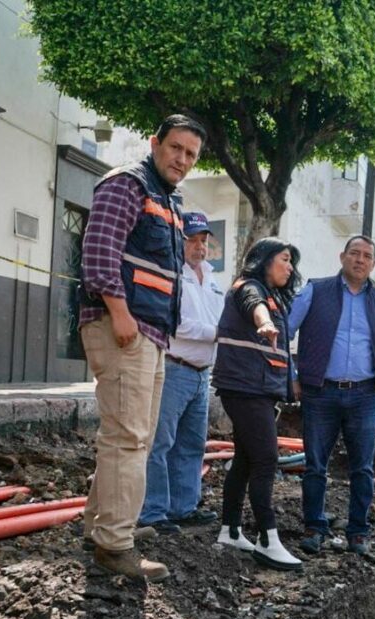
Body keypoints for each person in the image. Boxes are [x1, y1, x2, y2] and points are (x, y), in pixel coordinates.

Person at [78, 114, 204, 582]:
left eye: (191, 154)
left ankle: (106, 526)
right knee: (127, 438)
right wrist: (119, 311)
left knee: (134, 438)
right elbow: (98, 252)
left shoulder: (166, 200)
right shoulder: (127, 184)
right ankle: (114, 544)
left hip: (149, 334)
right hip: (124, 328)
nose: (183, 160)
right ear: (154, 143)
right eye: (176, 148)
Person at [289, 235, 375, 556]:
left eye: (367, 256)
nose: (360, 259)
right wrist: (292, 376)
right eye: (354, 253)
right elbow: (283, 333)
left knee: (363, 469)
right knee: (315, 466)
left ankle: (358, 532)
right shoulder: (316, 290)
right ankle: (314, 528)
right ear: (342, 257)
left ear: (372, 264)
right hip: (320, 393)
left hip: (363, 396)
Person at [211, 237, 303, 571]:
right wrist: (263, 321)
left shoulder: (275, 297)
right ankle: (267, 539)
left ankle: (231, 529)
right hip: (245, 387)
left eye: (292, 261)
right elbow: (254, 305)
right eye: (284, 259)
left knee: (247, 459)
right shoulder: (247, 288)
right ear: (263, 259)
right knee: (267, 457)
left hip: (257, 388)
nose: (289, 267)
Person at [137, 211, 223, 534]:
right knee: (160, 442)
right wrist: (217, 333)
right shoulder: (171, 275)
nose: (199, 247)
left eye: (203, 240)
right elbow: (178, 324)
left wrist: (221, 332)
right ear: (179, 240)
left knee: (191, 444)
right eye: (193, 239)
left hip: (202, 374)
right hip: (175, 369)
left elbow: (223, 321)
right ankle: (154, 511)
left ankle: (183, 507)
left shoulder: (212, 279)